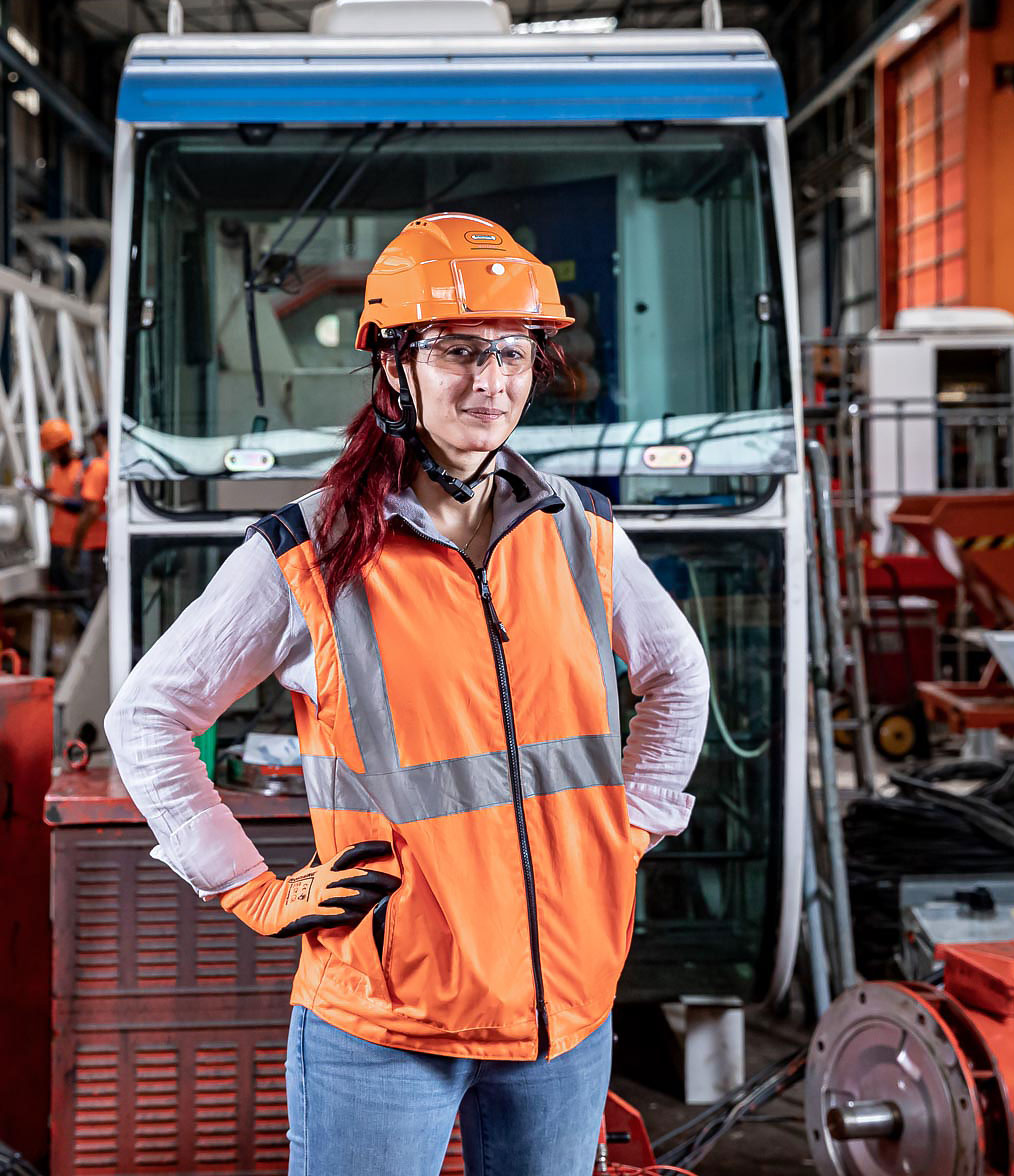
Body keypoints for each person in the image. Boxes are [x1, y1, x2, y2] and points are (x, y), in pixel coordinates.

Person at [107, 213, 708, 1176]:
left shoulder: (581, 536)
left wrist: (631, 821)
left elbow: (680, 676)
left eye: (512, 353)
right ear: (394, 367)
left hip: (565, 1009)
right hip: (387, 1021)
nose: (491, 382)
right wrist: (247, 889)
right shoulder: (308, 554)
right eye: (458, 352)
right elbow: (147, 718)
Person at [31, 418, 85, 596]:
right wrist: (36, 489)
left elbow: (79, 506)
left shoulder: (81, 469)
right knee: (59, 593)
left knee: (76, 593)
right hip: (57, 542)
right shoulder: (57, 470)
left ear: (62, 448)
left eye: (52, 452)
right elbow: (53, 491)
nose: (51, 456)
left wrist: (50, 498)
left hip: (76, 545)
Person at [72, 421, 111, 617]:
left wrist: (75, 546)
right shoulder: (120, 462)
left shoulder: (98, 467)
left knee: (97, 604)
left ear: (99, 437)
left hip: (98, 547)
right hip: (115, 545)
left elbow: (91, 510)